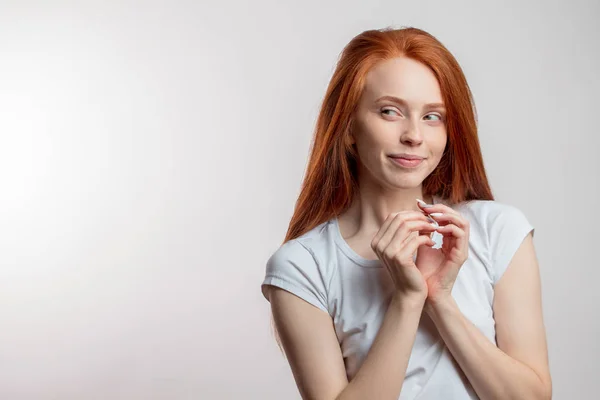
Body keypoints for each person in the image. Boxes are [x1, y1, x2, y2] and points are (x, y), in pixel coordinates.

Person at [260, 26, 551, 400]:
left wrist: (441, 300)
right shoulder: (302, 266)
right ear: (349, 127)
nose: (414, 135)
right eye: (390, 111)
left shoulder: (499, 231)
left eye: (433, 117)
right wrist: (408, 300)